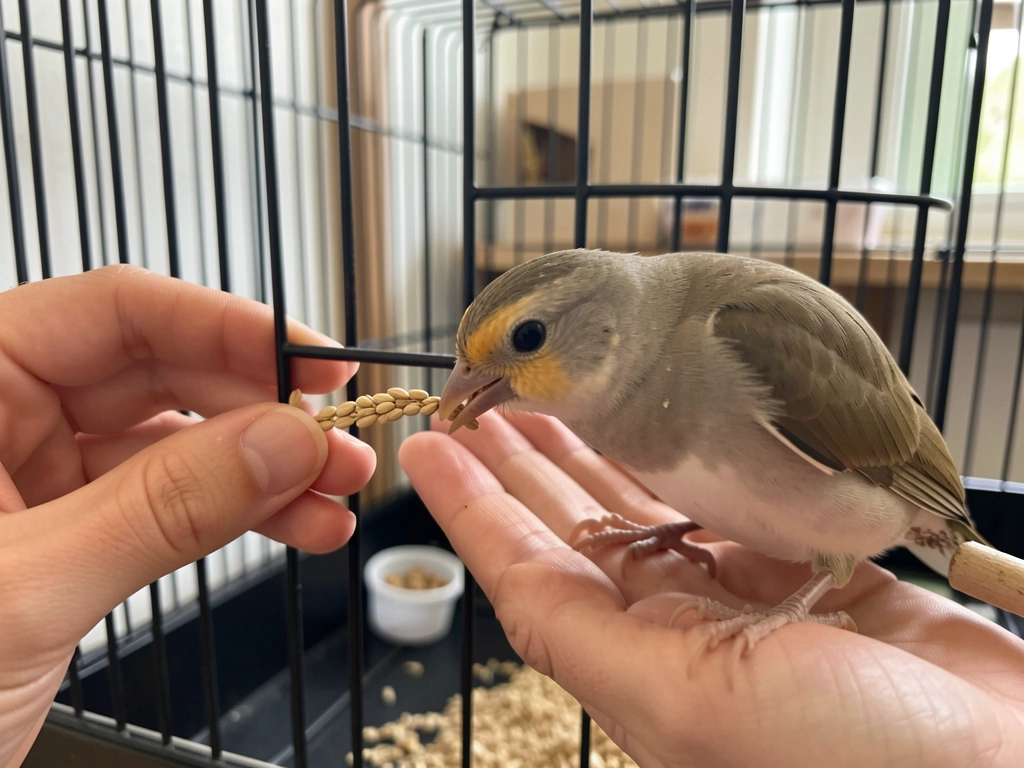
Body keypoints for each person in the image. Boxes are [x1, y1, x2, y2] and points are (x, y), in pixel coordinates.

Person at [3, 267, 1024, 768]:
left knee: (830, 559)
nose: (473, 386)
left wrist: (798, 601)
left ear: (608, 328)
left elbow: (869, 497)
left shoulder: (741, 336)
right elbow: (744, 493)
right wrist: (682, 528)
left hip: (880, 512)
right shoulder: (620, 403)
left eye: (523, 342)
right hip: (775, 512)